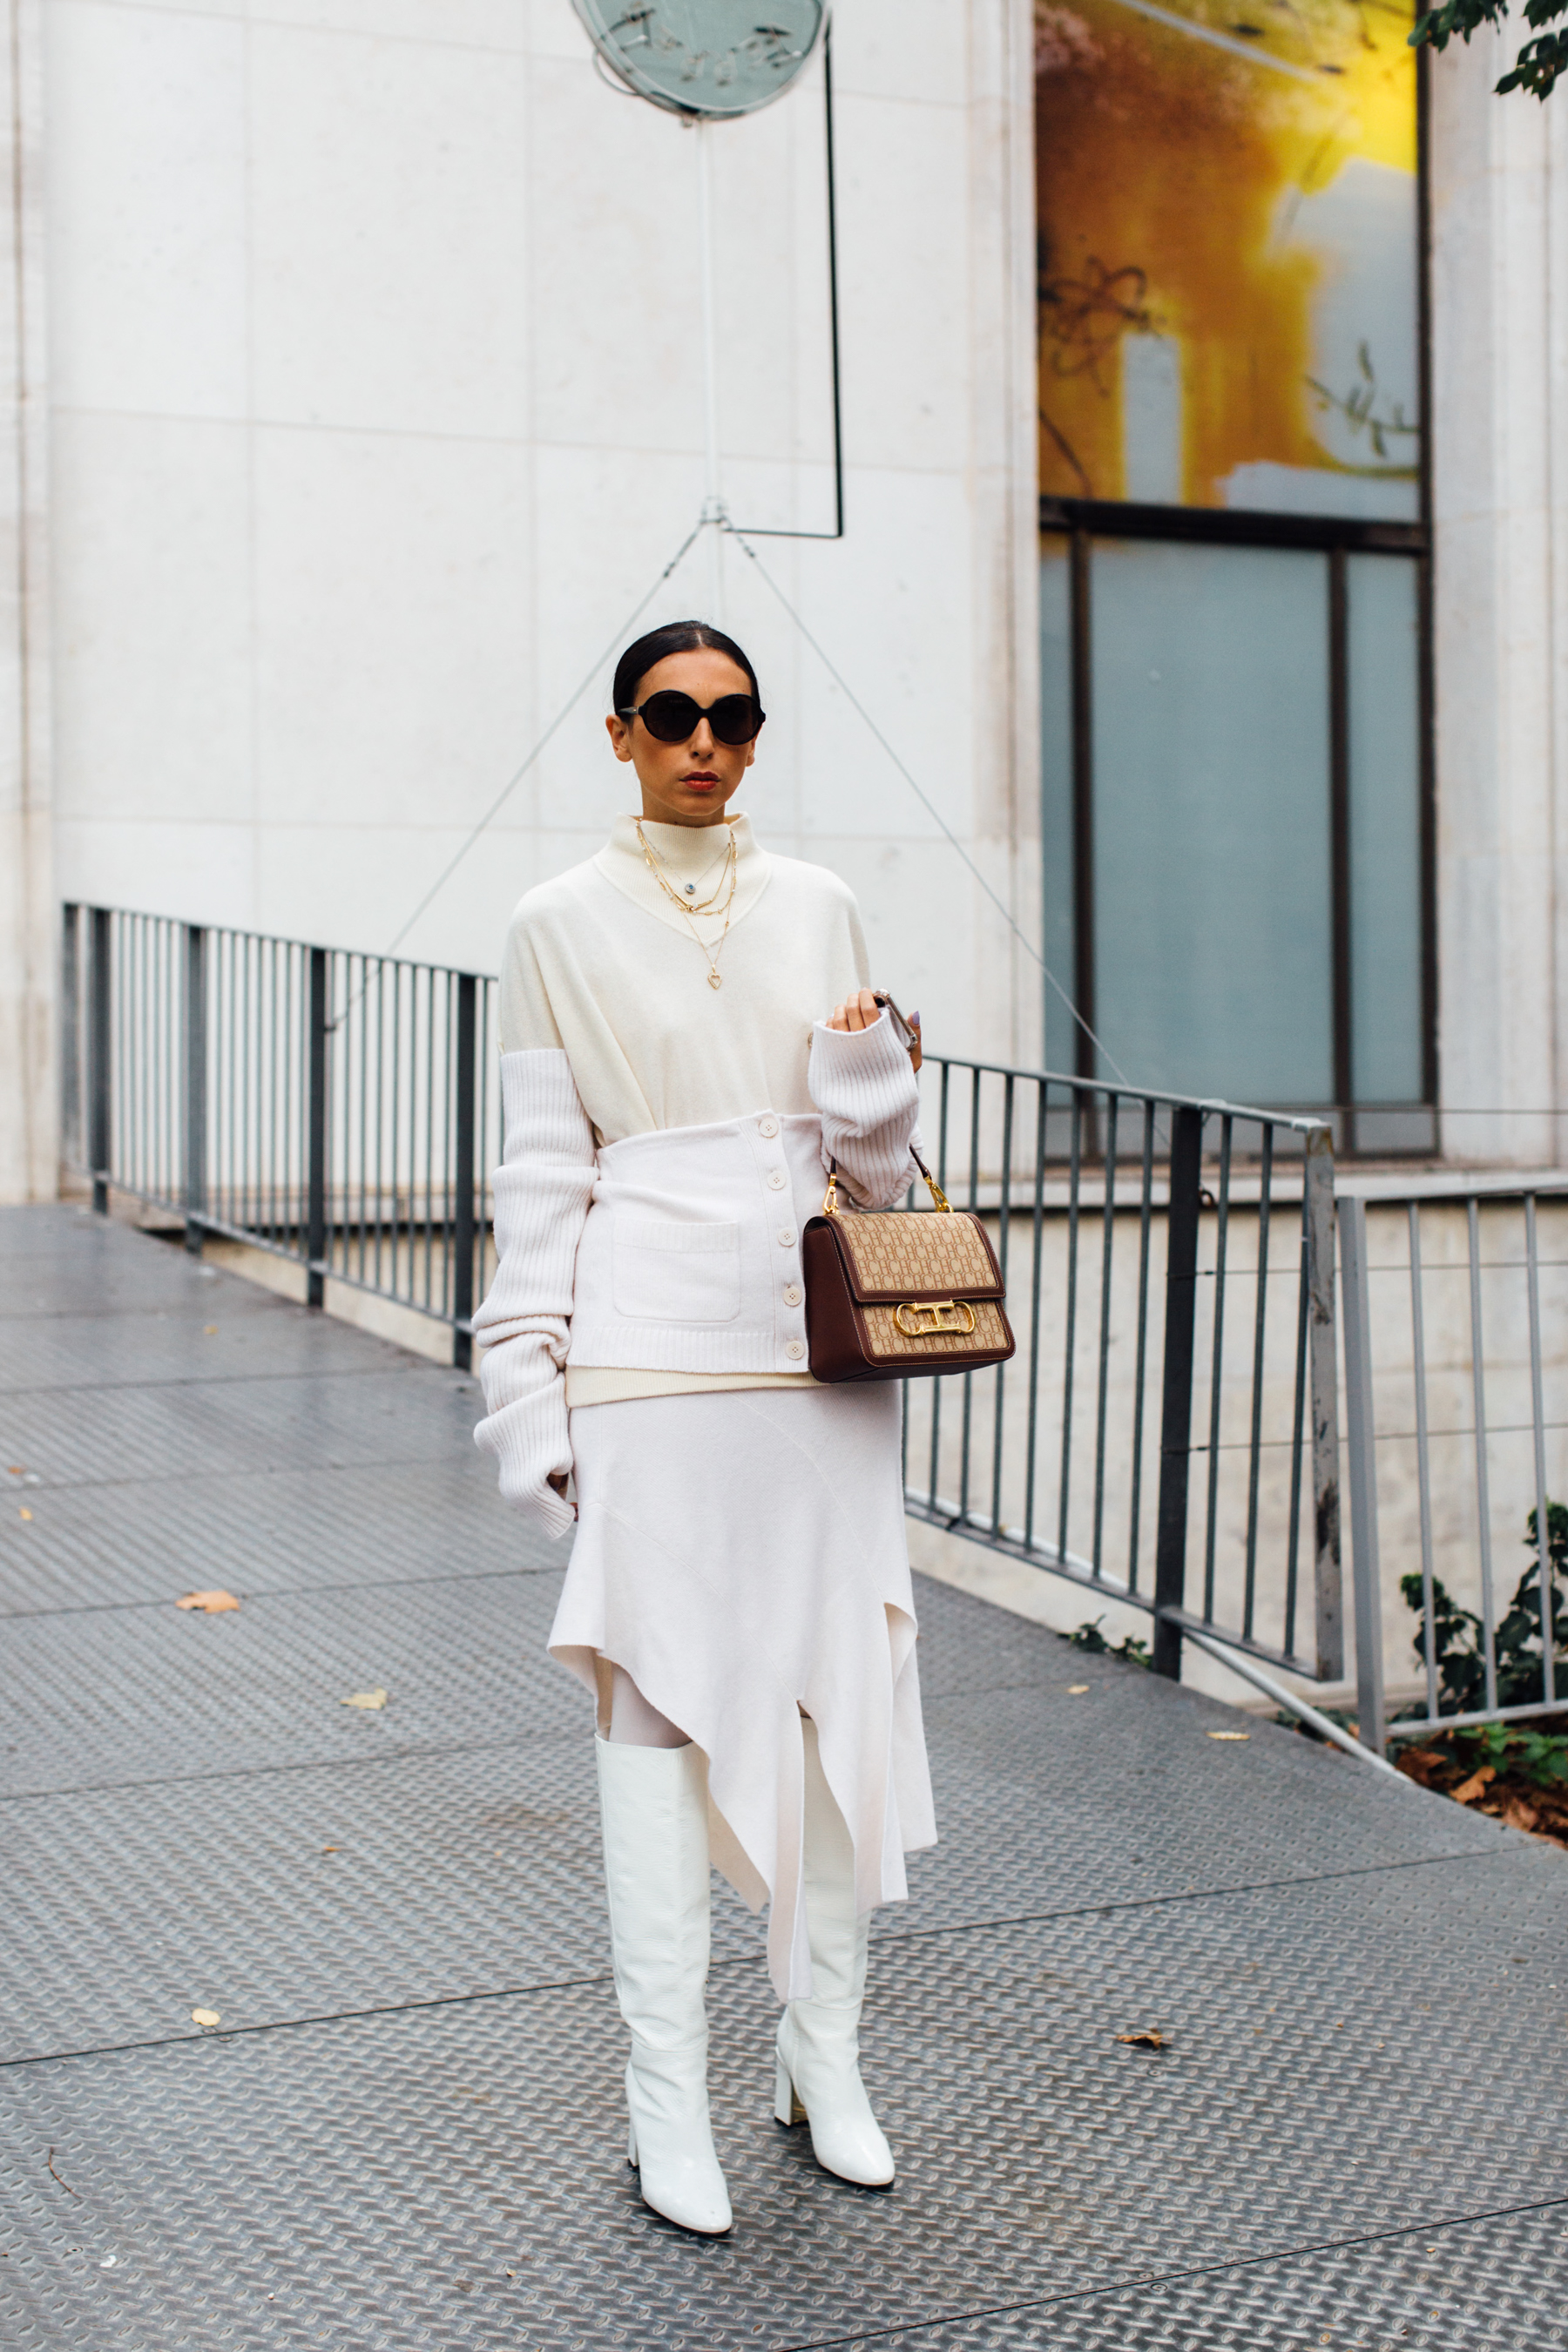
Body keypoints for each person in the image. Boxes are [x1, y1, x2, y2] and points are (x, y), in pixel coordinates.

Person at [471, 618, 935, 2236]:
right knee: (656, 1709)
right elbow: (542, 1169)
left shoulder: (817, 904)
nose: (705, 741)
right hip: (648, 1346)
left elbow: (873, 1178)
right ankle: (666, 2100)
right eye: (671, 714)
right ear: (619, 735)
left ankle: (826, 2061)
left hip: (817, 1358)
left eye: (735, 716)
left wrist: (873, 1077)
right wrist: (524, 1378)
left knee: (835, 1703)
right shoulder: (552, 923)